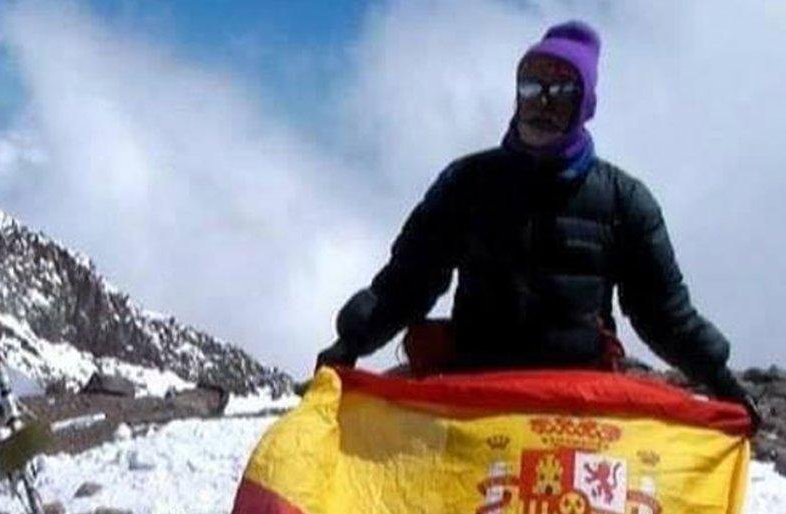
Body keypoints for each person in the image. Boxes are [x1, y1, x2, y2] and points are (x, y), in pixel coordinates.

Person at [316, 20, 759, 426]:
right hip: (474, 397)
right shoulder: (465, 185)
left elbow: (663, 315)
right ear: (516, 95)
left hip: (576, 410)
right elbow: (406, 284)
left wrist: (718, 376)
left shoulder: (626, 202)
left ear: (584, 105)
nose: (543, 103)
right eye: (532, 86)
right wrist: (351, 342)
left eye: (563, 91)